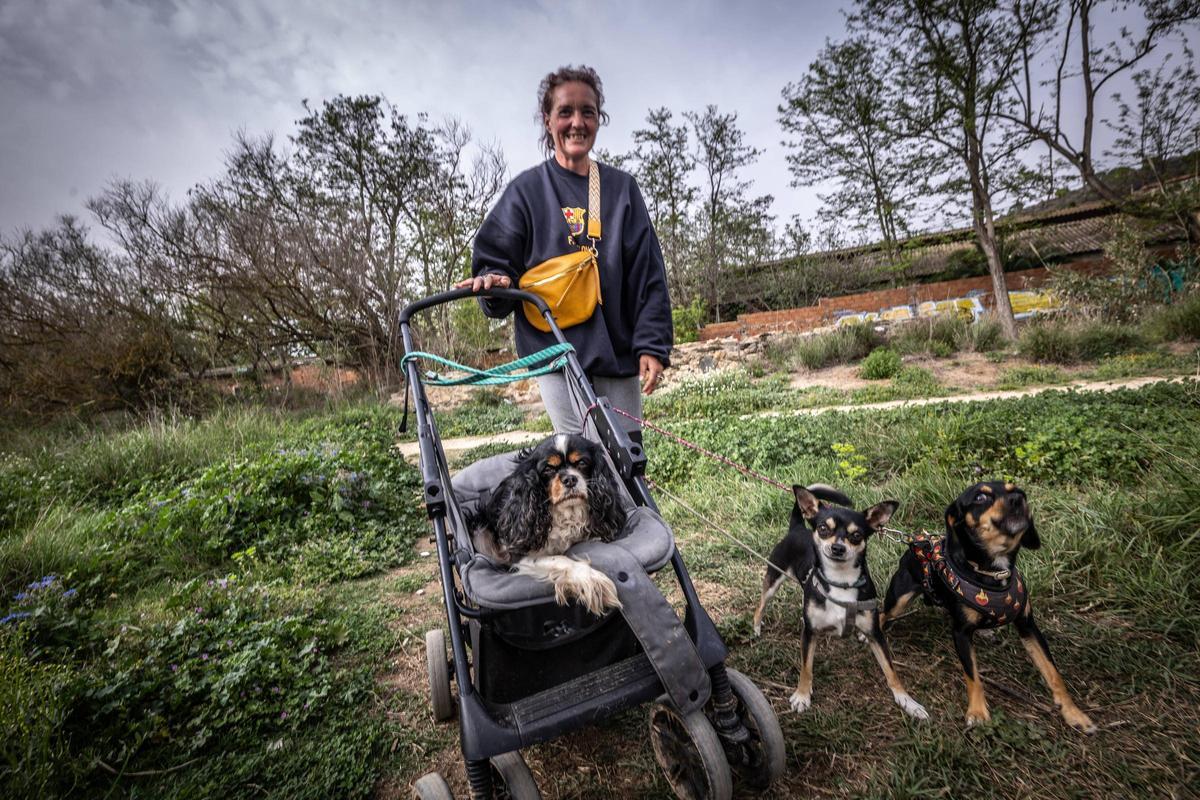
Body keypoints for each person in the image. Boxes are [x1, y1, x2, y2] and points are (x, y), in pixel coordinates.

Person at [458, 65, 672, 442]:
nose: (577, 122)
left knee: (626, 462)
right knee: (581, 463)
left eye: (587, 112)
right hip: (557, 357)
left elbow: (648, 274)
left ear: (598, 119)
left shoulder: (622, 190)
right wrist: (493, 283)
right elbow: (495, 266)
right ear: (548, 120)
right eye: (565, 112)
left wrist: (652, 345)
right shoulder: (525, 192)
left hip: (618, 356)